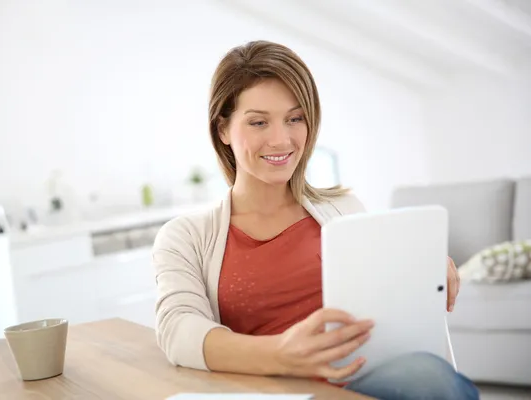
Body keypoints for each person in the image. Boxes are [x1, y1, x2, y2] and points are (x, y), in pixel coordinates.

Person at [152, 40, 479, 399]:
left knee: (429, 376)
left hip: (362, 378)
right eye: (259, 122)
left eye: (295, 118)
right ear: (223, 130)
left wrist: (423, 268)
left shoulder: (345, 208)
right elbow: (178, 331)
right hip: (273, 388)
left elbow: (387, 297)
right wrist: (282, 354)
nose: (281, 139)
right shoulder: (185, 236)